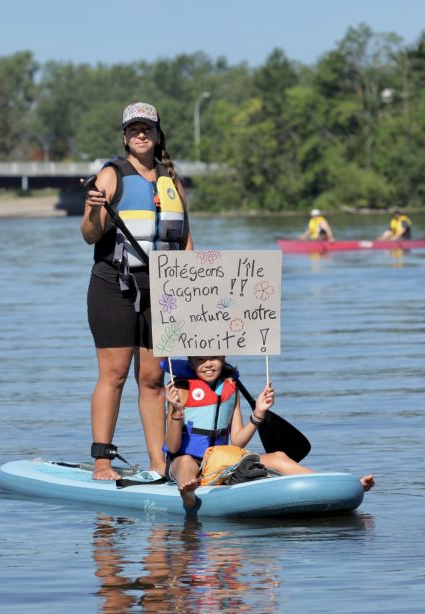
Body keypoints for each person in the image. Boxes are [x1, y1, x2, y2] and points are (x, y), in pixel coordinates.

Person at [80, 102, 194, 480]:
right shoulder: (111, 175)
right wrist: (95, 208)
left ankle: (159, 463)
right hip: (115, 284)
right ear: (124, 136)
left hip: (162, 288)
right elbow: (90, 235)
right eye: (133, 129)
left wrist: (192, 289)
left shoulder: (172, 181)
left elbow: (186, 242)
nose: (140, 134)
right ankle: (102, 461)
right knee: (113, 374)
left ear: (158, 135)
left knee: (153, 378)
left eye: (147, 129)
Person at [164, 356, 375, 509]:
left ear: (223, 357)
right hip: (186, 459)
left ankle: (334, 486)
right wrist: (176, 410)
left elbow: (236, 443)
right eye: (200, 359)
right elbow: (173, 447)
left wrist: (258, 414)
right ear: (191, 362)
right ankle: (188, 493)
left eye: (214, 358)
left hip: (221, 461)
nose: (208, 364)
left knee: (278, 456)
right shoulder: (179, 389)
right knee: (185, 463)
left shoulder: (230, 389)